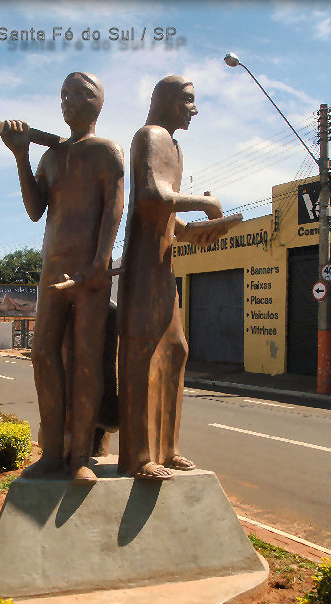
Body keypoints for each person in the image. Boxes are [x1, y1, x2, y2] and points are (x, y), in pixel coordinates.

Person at [1, 72, 124, 483]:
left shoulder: (108, 152)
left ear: (97, 103)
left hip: (90, 275)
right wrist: (20, 155)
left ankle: (82, 459)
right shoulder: (50, 157)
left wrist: (99, 264)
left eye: (78, 94)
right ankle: (53, 452)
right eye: (63, 94)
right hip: (53, 271)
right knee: (42, 356)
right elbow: (37, 210)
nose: (67, 101)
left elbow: (114, 212)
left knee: (87, 362)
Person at [117, 75, 226, 481]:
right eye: (187, 100)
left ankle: (168, 448)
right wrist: (205, 203)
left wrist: (192, 230)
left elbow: (167, 214)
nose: (193, 109)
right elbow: (149, 196)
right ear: (165, 100)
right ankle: (139, 456)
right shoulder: (149, 136)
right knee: (143, 355)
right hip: (144, 266)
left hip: (164, 264)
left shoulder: (175, 147)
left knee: (176, 349)